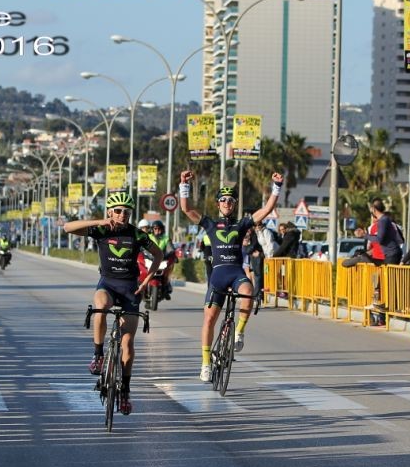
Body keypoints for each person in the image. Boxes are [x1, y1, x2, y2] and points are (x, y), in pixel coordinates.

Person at [63, 192, 163, 416]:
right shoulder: (101, 230)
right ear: (110, 212)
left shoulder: (136, 234)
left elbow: (158, 254)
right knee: (100, 308)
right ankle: (98, 356)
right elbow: (68, 227)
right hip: (108, 284)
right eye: (118, 211)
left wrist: (147, 280)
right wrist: (100, 222)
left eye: (126, 212)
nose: (122, 215)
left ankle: (125, 391)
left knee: (127, 343)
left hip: (130, 289)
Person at [179, 170, 283, 382]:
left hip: (236, 272)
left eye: (231, 200)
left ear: (235, 204)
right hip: (218, 274)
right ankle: (206, 363)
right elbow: (186, 208)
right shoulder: (209, 224)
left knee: (247, 292)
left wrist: (276, 187)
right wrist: (184, 185)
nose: (227, 203)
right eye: (223, 200)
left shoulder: (242, 224)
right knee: (209, 319)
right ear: (218, 204)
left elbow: (267, 209)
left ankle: (239, 332)